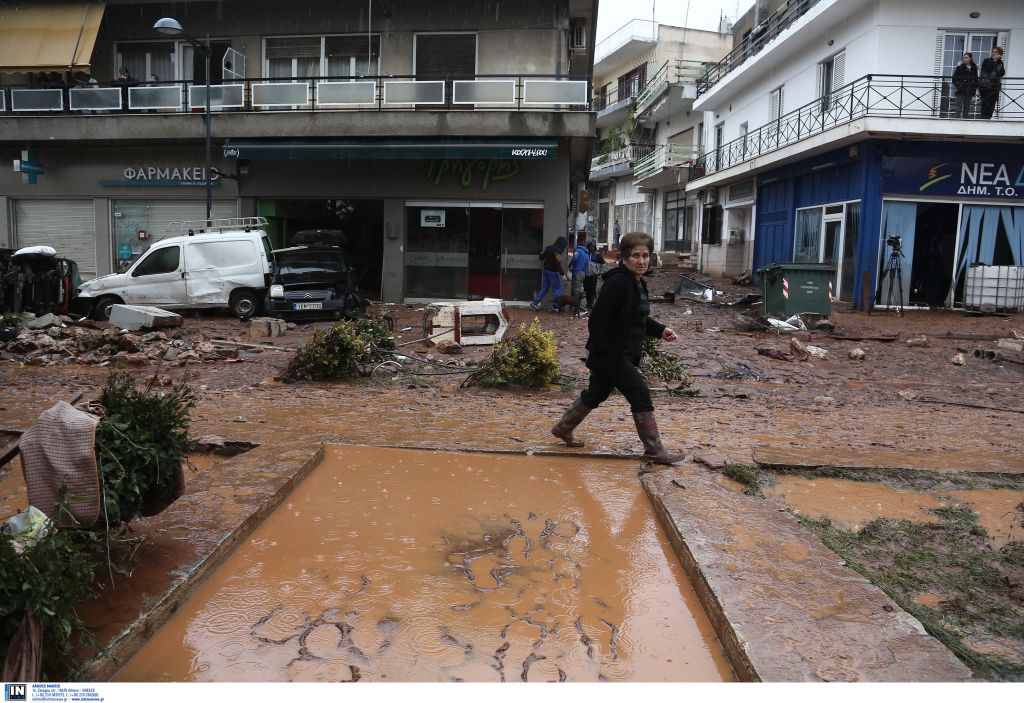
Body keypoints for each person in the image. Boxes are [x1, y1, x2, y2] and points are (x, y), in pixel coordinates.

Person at [550, 231, 683, 464]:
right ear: (624, 257)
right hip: (613, 355)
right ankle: (654, 449)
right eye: (636, 256)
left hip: (620, 354)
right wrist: (606, 355)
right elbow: (597, 320)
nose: (641, 261)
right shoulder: (619, 282)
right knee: (640, 394)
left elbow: (636, 318)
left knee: (596, 394)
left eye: (645, 256)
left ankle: (563, 428)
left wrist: (661, 330)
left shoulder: (637, 283)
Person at [530, 236, 567, 312]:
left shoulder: (548, 248)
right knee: (557, 289)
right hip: (553, 272)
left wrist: (540, 253)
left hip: (546, 271)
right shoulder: (558, 251)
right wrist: (563, 274)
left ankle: (534, 303)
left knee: (545, 288)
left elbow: (541, 257)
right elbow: (557, 264)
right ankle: (555, 306)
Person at [978, 46, 1005, 119]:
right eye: (993, 51)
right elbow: (989, 69)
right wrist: (995, 61)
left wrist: (997, 61)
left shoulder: (1000, 63)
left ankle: (988, 118)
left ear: (1000, 54)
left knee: (992, 104)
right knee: (985, 104)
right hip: (985, 86)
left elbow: (1001, 73)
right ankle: (983, 119)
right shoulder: (986, 61)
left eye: (996, 52)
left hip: (995, 87)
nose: (994, 53)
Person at [951, 52, 978, 118]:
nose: (964, 59)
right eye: (963, 58)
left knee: (967, 109)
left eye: (966, 58)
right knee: (958, 108)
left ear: (970, 59)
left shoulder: (974, 68)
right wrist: (960, 86)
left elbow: (976, 80)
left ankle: (964, 125)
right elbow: (954, 79)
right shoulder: (960, 67)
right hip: (961, 91)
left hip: (969, 91)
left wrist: (973, 90)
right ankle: (956, 123)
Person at [583, 240, 605, 311]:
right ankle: (587, 303)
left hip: (593, 275)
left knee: (592, 290)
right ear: (588, 247)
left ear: (594, 247)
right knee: (586, 289)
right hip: (586, 275)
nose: (591, 247)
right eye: (590, 246)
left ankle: (591, 303)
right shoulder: (585, 254)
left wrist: (600, 272)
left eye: (592, 246)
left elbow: (603, 264)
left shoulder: (597, 255)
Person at [569, 239, 589, 305]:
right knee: (578, 288)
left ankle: (580, 307)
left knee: (576, 290)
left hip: (577, 272)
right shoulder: (587, 253)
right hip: (582, 273)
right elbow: (587, 264)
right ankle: (573, 306)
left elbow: (575, 258)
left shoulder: (578, 250)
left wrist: (571, 264)